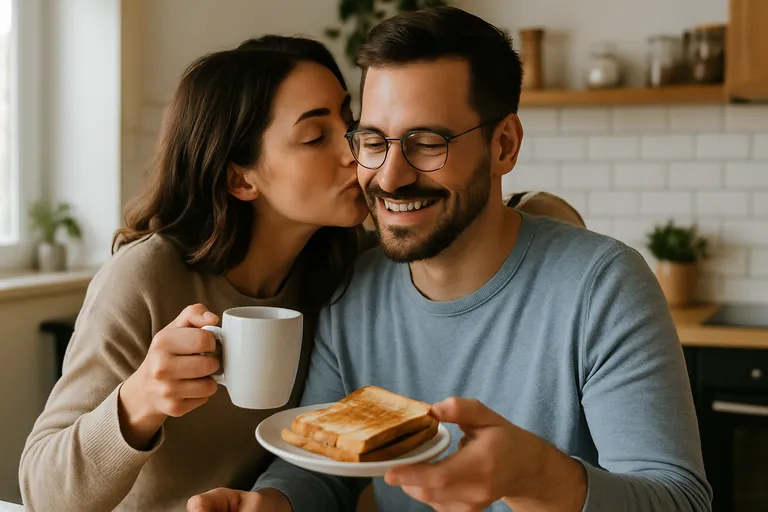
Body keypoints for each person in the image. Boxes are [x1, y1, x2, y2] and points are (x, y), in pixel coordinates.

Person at [188, 6, 713, 512]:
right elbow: (319, 470)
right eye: (374, 140)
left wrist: (537, 477)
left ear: (504, 145)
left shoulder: (604, 285)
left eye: (427, 143)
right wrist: (276, 503)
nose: (389, 177)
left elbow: (678, 500)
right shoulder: (353, 288)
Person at [18, 35, 369, 511]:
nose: (354, 151)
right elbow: (42, 493)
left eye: (348, 121)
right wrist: (139, 400)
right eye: (314, 137)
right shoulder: (144, 279)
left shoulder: (346, 272)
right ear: (240, 179)